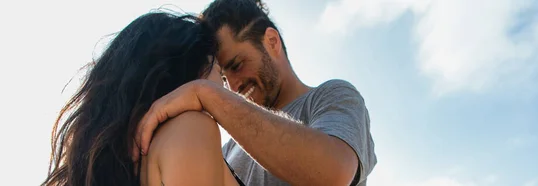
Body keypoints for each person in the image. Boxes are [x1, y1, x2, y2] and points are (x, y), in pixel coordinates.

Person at [134, 0, 377, 185]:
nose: (232, 85)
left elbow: (333, 173)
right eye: (223, 75)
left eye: (237, 65)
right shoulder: (227, 149)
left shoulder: (331, 96)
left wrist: (205, 93)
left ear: (272, 42)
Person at [43, 12, 245, 186]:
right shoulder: (192, 127)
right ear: (196, 69)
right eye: (219, 71)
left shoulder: (130, 158)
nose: (227, 87)